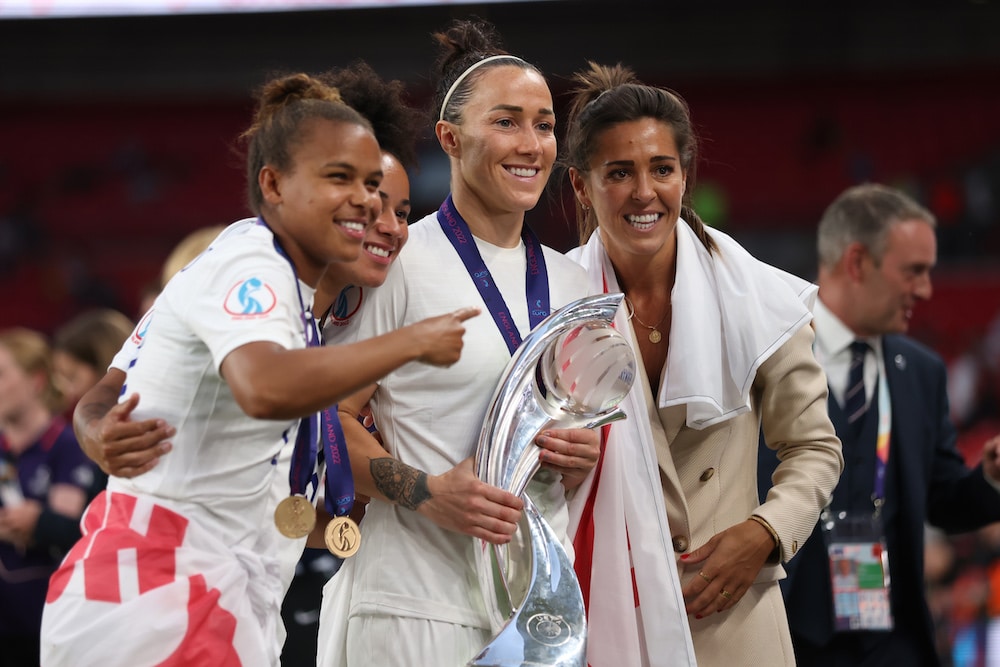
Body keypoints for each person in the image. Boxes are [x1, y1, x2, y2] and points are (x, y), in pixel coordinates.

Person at [39, 71, 477, 667]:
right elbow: (265, 388)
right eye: (340, 179)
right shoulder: (251, 262)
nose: (371, 206)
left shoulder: (300, 304)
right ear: (274, 185)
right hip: (160, 594)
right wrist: (409, 343)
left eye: (379, 190)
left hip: (221, 598)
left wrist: (96, 430)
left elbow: (110, 389)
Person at [317, 19, 601, 667]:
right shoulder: (394, 262)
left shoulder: (573, 281)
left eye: (544, 124)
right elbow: (328, 420)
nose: (531, 144)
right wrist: (427, 491)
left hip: (540, 611)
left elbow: (577, 438)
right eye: (506, 122)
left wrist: (579, 452)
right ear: (449, 137)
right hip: (413, 604)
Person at [560, 62, 844, 666]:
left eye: (662, 169)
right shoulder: (550, 308)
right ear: (581, 187)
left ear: (684, 176)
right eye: (619, 173)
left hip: (736, 619)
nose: (645, 192)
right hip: (606, 619)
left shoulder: (764, 301)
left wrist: (765, 534)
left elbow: (815, 450)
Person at [757, 182, 1000, 666]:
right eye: (914, 272)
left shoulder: (923, 371)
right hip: (783, 635)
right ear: (857, 263)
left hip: (891, 642)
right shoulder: (761, 351)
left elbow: (944, 500)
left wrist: (991, 478)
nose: (927, 290)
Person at [0, 327, 99, 667]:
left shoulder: (69, 448)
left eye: (1, 374)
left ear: (36, 381)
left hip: (49, 622)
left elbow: (83, 531)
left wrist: (38, 522)